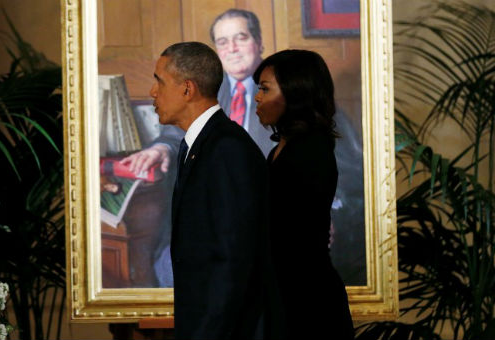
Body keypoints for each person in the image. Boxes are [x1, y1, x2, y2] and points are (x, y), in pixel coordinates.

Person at [121, 8, 273, 287]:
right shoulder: (204, 91)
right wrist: (162, 149)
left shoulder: (282, 93)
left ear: (259, 42)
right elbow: (174, 133)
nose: (233, 48)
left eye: (240, 37)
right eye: (223, 42)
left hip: (264, 229)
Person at [149, 41, 273, 339]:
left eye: (159, 82)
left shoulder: (226, 149)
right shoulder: (197, 145)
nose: (152, 92)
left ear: (187, 89)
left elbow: (233, 259)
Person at [253, 49, 355, 339]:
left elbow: (291, 236)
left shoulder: (310, 150)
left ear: (295, 92)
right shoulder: (281, 148)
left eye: (265, 89)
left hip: (307, 302)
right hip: (288, 294)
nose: (257, 98)